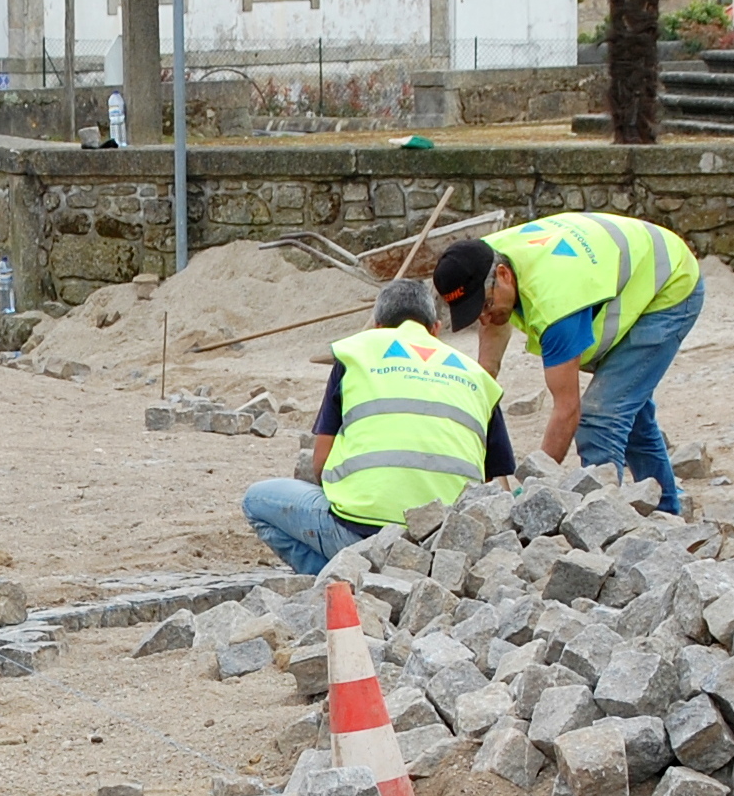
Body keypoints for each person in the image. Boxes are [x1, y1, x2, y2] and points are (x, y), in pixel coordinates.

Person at [433, 210, 704, 516]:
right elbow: (487, 372)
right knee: (628, 411)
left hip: (669, 285)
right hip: (625, 262)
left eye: (484, 306)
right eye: (472, 314)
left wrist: (529, 495)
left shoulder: (556, 303)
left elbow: (567, 410)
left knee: (602, 418)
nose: (483, 318)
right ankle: (668, 510)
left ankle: (602, 529)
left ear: (504, 276)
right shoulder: (480, 259)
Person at [240, 280, 513, 575]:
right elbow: (494, 483)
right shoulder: (476, 375)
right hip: (444, 546)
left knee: (256, 501)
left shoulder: (356, 353)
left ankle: (339, 578)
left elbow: (321, 464)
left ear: (379, 328)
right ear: (435, 329)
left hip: (360, 536)